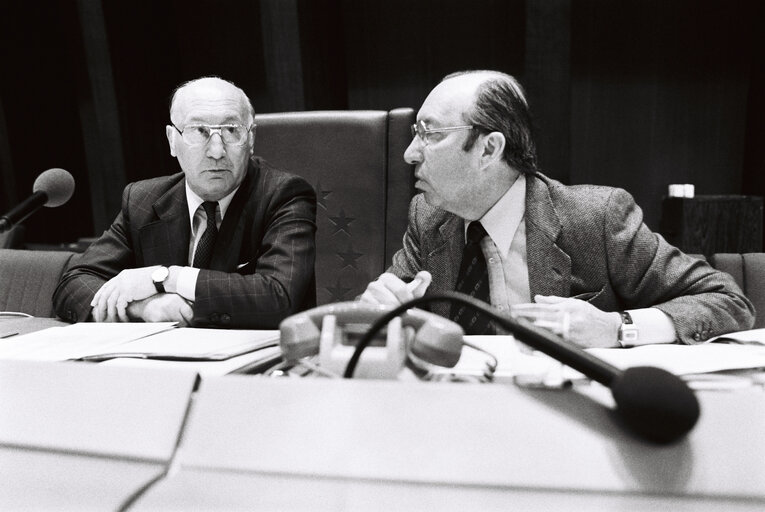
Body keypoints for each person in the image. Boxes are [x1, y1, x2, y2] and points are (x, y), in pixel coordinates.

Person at [360, 70, 754, 347]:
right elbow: (393, 314)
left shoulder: (597, 218)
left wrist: (619, 328)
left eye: (430, 134)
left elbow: (727, 301)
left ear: (489, 149)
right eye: (416, 135)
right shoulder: (429, 218)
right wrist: (379, 313)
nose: (410, 153)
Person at [53, 76, 316, 329]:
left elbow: (279, 297)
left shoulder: (283, 195)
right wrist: (143, 307)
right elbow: (73, 283)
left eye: (231, 131)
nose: (216, 151)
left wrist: (166, 278)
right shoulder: (143, 200)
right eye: (199, 131)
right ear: (172, 140)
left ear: (250, 139)